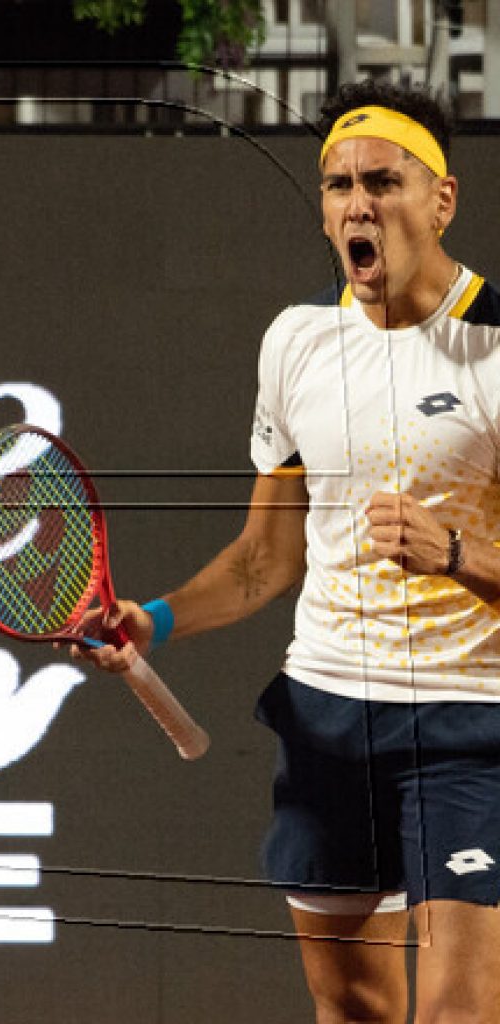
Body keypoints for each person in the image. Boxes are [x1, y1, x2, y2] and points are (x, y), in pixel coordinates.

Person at [76, 79, 500, 1022]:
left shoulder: (496, 350)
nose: (358, 204)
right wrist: (156, 619)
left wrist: (457, 552)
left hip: (470, 722)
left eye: (383, 181)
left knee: (461, 1014)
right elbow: (265, 559)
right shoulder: (298, 342)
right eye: (338, 184)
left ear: (442, 200)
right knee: (352, 1010)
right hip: (327, 715)